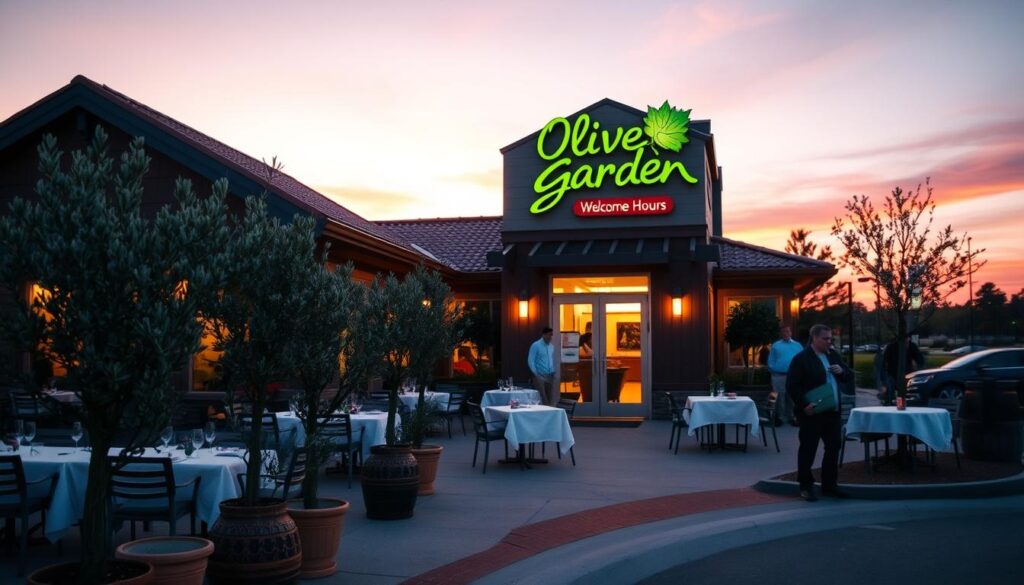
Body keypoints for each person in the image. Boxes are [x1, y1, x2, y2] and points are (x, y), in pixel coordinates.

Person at [786, 324, 853, 501]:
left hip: (832, 411)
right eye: (825, 338)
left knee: (833, 447)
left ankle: (829, 485)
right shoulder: (801, 359)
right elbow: (792, 385)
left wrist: (842, 371)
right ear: (814, 338)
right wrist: (804, 405)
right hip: (813, 412)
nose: (829, 342)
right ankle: (806, 486)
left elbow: (848, 375)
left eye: (831, 338)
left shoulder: (833, 355)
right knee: (808, 448)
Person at [767, 325, 802, 426]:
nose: (785, 333)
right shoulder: (776, 345)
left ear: (791, 333)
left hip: (794, 376)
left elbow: (802, 360)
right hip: (778, 376)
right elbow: (771, 360)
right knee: (778, 397)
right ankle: (779, 418)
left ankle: (792, 417)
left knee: (792, 397)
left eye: (787, 331)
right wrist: (773, 370)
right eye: (783, 332)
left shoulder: (797, 346)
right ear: (781, 333)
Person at [881, 337, 925, 403]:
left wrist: (918, 370)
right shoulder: (891, 346)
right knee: (891, 391)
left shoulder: (912, 346)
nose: (906, 342)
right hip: (892, 373)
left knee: (904, 392)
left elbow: (920, 360)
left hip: (907, 374)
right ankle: (890, 403)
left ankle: (901, 404)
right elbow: (884, 362)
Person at [528, 326, 557, 405]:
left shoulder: (551, 346)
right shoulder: (536, 345)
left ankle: (550, 414)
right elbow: (531, 361)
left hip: (550, 375)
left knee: (550, 397)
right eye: (549, 335)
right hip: (540, 375)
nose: (550, 337)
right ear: (543, 335)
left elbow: (553, 360)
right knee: (542, 397)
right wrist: (536, 374)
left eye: (551, 335)